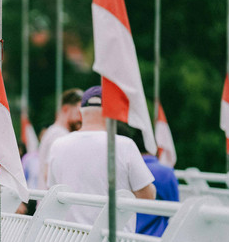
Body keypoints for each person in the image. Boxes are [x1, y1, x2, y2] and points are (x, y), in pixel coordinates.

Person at [36, 85, 156, 229]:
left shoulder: (58, 145)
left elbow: (53, 189)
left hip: (69, 241)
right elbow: (148, 197)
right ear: (111, 112)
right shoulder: (125, 145)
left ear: (81, 112)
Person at [122, 124, 180, 237]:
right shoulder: (166, 173)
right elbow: (175, 211)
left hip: (126, 239)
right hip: (155, 239)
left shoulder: (123, 168)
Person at [37, 88, 84, 189]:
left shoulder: (53, 132)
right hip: (54, 201)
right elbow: (48, 174)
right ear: (65, 109)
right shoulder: (60, 135)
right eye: (79, 112)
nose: (81, 118)